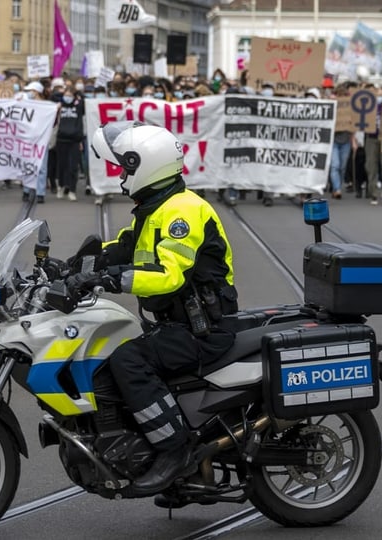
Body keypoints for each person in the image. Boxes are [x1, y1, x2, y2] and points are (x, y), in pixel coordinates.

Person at [75, 121, 238, 496]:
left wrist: (110, 280)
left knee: (128, 362)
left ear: (146, 164)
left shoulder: (183, 212)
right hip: (176, 325)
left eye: (126, 167)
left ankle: (174, 450)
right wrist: (73, 268)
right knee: (107, 357)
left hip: (203, 330)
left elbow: (168, 275)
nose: (122, 175)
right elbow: (123, 248)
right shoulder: (157, 208)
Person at [55, 85, 85, 200]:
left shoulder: (79, 106)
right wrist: (62, 97)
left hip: (75, 140)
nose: (67, 97)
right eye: (65, 95)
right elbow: (53, 95)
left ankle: (72, 190)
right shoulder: (59, 106)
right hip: (61, 139)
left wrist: (77, 94)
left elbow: (84, 98)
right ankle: (61, 186)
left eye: (70, 95)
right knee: (62, 165)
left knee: (73, 167)